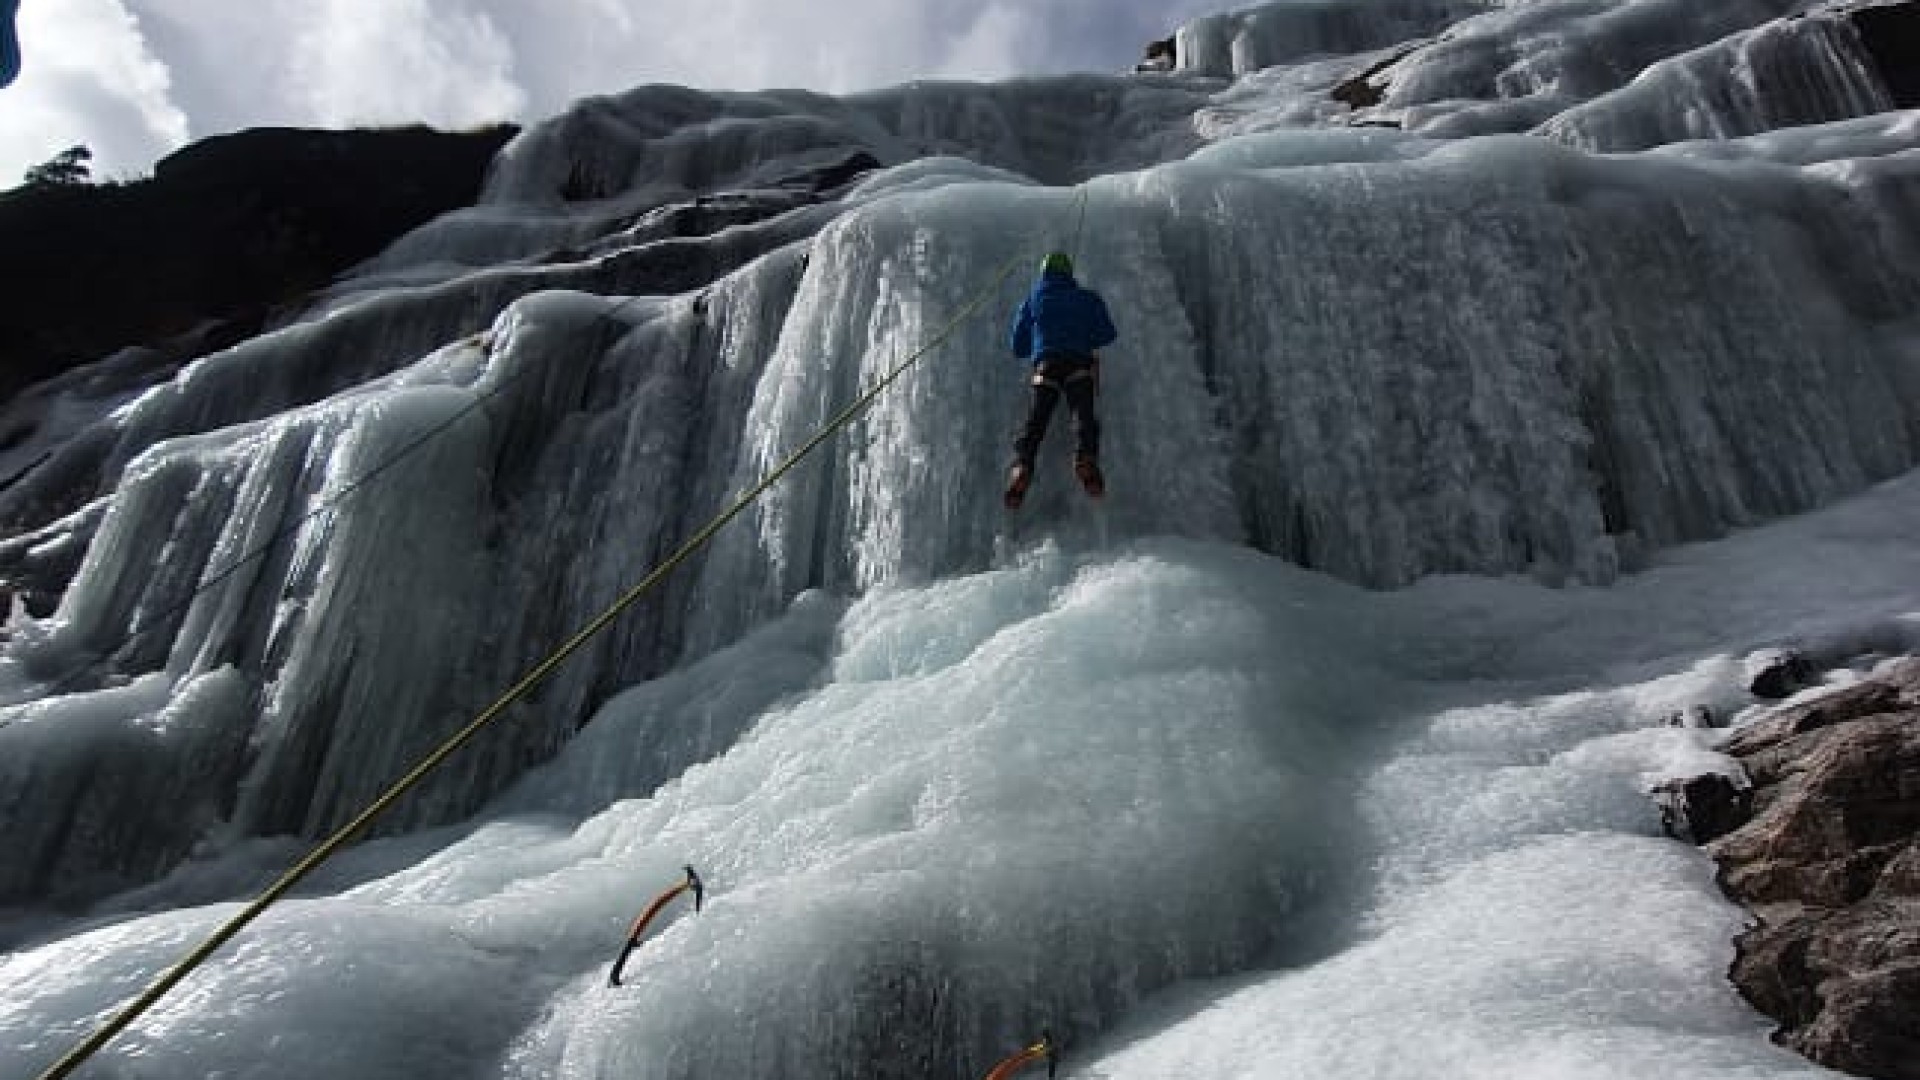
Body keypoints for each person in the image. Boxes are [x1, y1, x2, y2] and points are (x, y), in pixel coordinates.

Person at [1004, 251, 1117, 509]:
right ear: (1069, 274)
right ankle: (1085, 457)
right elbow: (1107, 334)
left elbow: (1018, 346)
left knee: (1035, 423)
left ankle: (1022, 466)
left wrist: (1039, 341)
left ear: (1044, 273)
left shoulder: (1032, 299)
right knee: (1083, 416)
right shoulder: (1087, 298)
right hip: (1079, 365)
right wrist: (1084, 334)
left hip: (1046, 366)